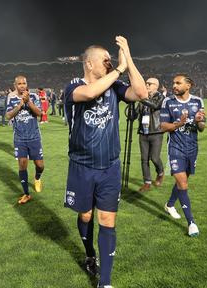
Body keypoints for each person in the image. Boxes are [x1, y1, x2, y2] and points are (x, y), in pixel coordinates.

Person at [64, 36, 149, 288]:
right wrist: (119, 69)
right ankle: (90, 253)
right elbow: (90, 92)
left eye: (111, 60)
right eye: (105, 60)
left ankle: (105, 282)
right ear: (89, 64)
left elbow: (142, 93)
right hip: (82, 164)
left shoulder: (115, 85)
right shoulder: (72, 86)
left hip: (109, 166)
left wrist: (128, 57)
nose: (110, 63)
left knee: (107, 220)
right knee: (86, 215)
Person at [160, 73, 206, 237]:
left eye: (178, 83)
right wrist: (179, 123)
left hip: (192, 147)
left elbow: (201, 128)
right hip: (175, 147)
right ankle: (191, 223)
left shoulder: (198, 101)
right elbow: (163, 126)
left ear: (188, 85)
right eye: (173, 83)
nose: (174, 86)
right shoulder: (168, 101)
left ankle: (170, 204)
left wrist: (199, 120)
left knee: (183, 182)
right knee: (183, 183)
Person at [5, 76, 45, 204]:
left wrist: (28, 102)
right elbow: (8, 116)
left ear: (27, 84)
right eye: (19, 83)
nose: (22, 85)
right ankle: (26, 194)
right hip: (20, 138)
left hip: (34, 136)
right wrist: (20, 104)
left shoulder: (33, 96)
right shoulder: (11, 98)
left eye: (24, 83)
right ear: (15, 85)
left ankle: (37, 178)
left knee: (40, 165)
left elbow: (39, 113)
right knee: (22, 164)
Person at [136, 77, 165, 192]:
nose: (147, 85)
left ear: (156, 86)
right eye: (146, 83)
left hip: (156, 131)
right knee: (144, 159)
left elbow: (154, 105)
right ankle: (147, 182)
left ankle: (160, 172)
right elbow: (136, 114)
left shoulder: (160, 97)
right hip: (143, 132)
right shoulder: (144, 98)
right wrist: (131, 111)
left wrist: (141, 98)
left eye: (149, 84)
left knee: (154, 158)